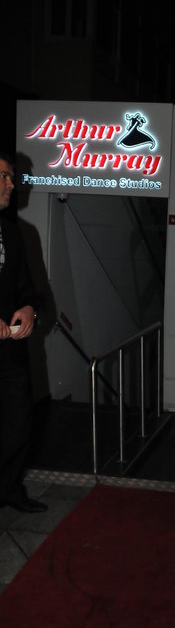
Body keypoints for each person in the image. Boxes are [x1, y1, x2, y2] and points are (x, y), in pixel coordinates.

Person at [0, 152, 47, 513]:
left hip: (9, 351)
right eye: (4, 176)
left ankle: (9, 490)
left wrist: (29, 309)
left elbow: (28, 289)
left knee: (18, 423)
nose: (12, 184)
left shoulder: (14, 232)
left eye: (12, 177)